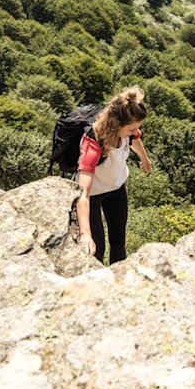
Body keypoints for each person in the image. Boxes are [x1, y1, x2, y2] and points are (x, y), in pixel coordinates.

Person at [77, 87, 153, 264]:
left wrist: (144, 159)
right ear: (117, 125)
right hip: (93, 195)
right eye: (132, 129)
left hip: (117, 189)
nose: (135, 132)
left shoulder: (128, 132)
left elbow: (136, 140)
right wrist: (85, 234)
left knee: (118, 243)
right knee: (97, 249)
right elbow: (83, 193)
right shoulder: (94, 142)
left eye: (137, 128)